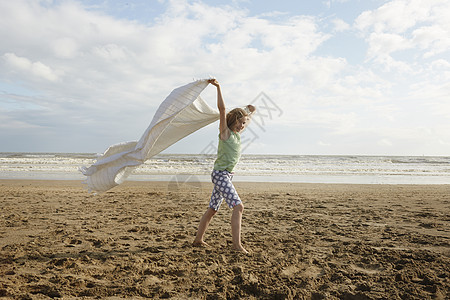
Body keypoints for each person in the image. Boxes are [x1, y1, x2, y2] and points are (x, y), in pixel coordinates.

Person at [193, 79, 255, 254]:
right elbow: (222, 110)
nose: (241, 126)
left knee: (213, 209)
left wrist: (250, 111)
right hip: (220, 175)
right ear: (232, 120)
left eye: (244, 123)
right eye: (239, 122)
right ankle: (236, 245)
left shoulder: (237, 134)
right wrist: (218, 88)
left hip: (227, 176)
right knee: (238, 206)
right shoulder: (225, 133)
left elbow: (247, 114)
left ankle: (198, 240)